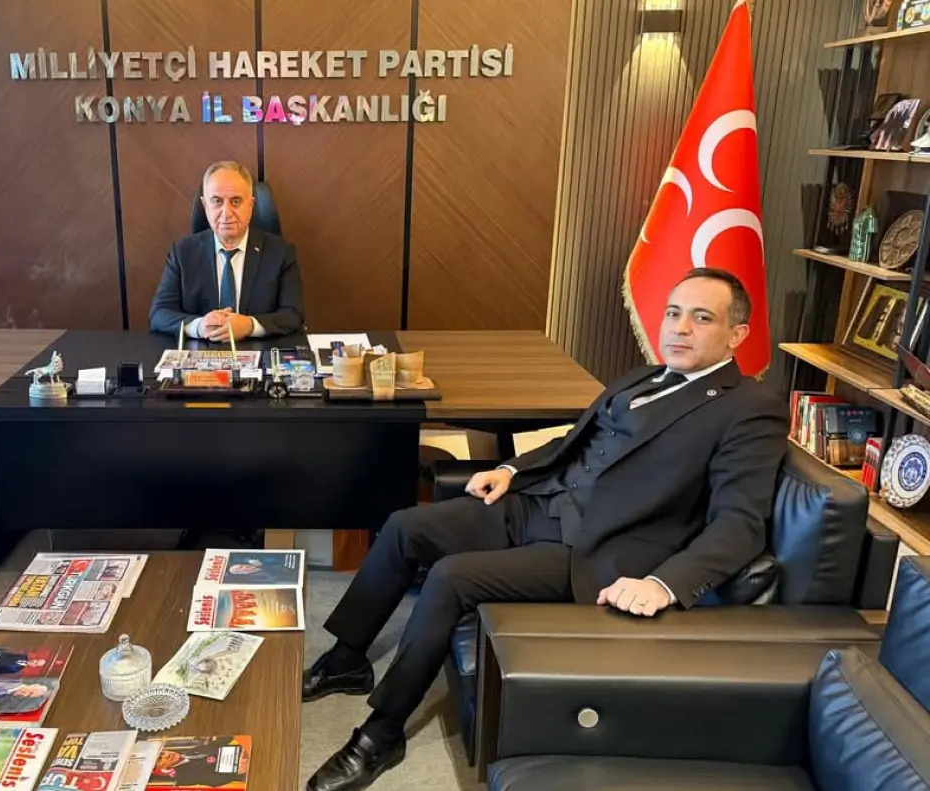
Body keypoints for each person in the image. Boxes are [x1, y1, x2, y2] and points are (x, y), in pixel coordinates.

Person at [302, 267, 789, 791]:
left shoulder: (750, 409)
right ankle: (347, 659)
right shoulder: (642, 377)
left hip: (595, 550)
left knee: (450, 577)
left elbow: (741, 523)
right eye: (674, 313)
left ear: (737, 334)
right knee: (404, 526)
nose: (680, 328)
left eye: (702, 318)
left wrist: (663, 583)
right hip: (541, 502)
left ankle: (382, 732)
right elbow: (574, 443)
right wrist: (511, 470)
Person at [148, 161, 304, 340]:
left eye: (236, 201)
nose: (226, 213)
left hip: (260, 351)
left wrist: (250, 326)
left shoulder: (280, 252)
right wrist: (199, 326)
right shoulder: (183, 253)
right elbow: (159, 314)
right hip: (201, 351)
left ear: (251, 205)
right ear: (205, 205)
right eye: (217, 201)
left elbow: (293, 314)